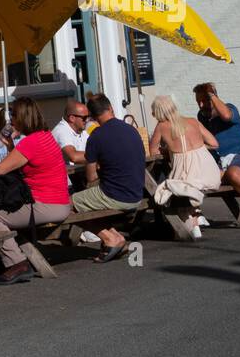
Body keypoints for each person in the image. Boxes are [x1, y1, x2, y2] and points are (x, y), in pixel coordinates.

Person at [0, 97, 71, 284]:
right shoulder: (45, 136)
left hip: (45, 205)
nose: (10, 120)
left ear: (23, 117)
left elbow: (0, 169)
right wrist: (11, 145)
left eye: (13, 115)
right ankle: (18, 256)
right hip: (62, 202)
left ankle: (17, 263)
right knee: (7, 207)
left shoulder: (30, 143)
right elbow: (23, 161)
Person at [70, 93, 146, 262]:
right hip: (137, 193)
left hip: (116, 195)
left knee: (68, 204)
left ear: (91, 116)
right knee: (90, 200)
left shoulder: (96, 137)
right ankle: (115, 236)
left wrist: (99, 166)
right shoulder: (131, 130)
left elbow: (90, 177)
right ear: (110, 108)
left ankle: (109, 237)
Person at [194, 84, 240, 230]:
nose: (201, 105)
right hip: (221, 162)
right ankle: (196, 215)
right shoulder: (201, 117)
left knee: (233, 173)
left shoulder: (230, 108)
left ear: (213, 97)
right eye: (198, 102)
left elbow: (227, 116)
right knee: (195, 173)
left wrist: (212, 95)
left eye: (204, 100)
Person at [149, 94, 221, 238]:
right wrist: (198, 147)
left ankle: (193, 223)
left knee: (173, 189)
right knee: (183, 190)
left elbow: (152, 151)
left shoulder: (162, 126)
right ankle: (196, 216)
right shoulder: (193, 121)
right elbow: (214, 144)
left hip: (186, 171)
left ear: (158, 112)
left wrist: (169, 149)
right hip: (208, 170)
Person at [51, 99, 91, 166]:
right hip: (66, 175)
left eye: (88, 117)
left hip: (76, 172)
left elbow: (94, 148)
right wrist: (100, 155)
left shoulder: (82, 131)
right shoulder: (61, 131)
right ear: (72, 118)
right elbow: (74, 157)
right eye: (84, 118)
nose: (87, 120)